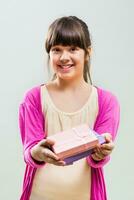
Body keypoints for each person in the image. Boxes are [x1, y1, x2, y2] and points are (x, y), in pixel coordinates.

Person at [19, 16, 120, 200]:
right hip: (38, 195)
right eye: (56, 50)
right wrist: (37, 152)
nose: (64, 57)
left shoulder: (106, 101)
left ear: (87, 52)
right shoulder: (34, 98)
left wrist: (101, 152)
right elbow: (30, 149)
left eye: (73, 49)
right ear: (49, 53)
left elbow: (98, 158)